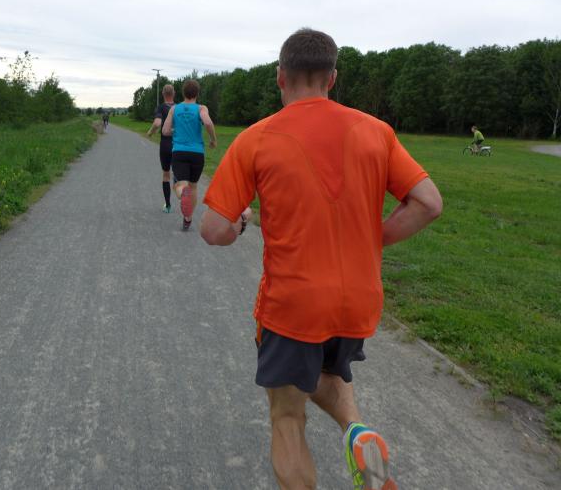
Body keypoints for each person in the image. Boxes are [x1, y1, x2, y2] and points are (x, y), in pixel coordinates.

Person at [200, 28, 442, 489]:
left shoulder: (257, 138)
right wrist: (371, 240)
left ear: (280, 77)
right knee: (330, 375)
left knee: (287, 417)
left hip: (293, 306)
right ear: (332, 78)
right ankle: (359, 435)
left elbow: (214, 230)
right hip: (358, 303)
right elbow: (428, 203)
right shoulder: (376, 132)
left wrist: (242, 223)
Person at [162, 79, 217, 231]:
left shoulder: (174, 109)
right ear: (197, 93)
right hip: (197, 154)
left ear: (183, 93)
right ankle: (188, 218)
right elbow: (207, 123)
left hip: (179, 152)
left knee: (180, 185)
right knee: (193, 187)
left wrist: (175, 131)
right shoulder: (201, 108)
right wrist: (213, 140)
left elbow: (165, 131)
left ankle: (182, 193)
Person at [146, 84, 176, 212]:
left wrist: (150, 133)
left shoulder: (161, 108)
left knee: (166, 175)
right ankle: (182, 193)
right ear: (174, 93)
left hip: (165, 145)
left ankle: (168, 206)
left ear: (163, 94)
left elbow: (157, 123)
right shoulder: (178, 107)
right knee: (179, 174)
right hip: (178, 145)